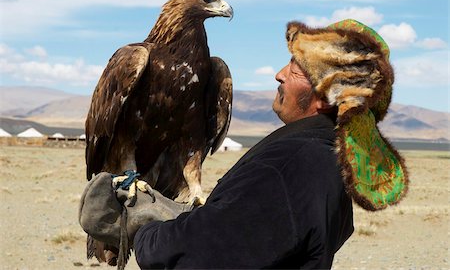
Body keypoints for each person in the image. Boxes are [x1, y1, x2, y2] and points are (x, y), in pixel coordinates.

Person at [79, 19, 408, 269]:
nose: (279, 74)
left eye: (295, 68)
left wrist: (145, 229)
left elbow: (200, 255)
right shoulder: (330, 158)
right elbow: (251, 236)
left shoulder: (288, 165)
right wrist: (193, 217)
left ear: (325, 95)